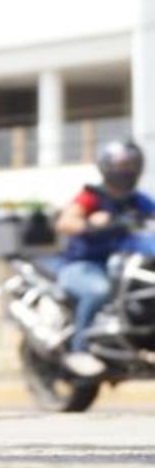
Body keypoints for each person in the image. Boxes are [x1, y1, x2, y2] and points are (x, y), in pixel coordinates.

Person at [54, 138, 155, 377]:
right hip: (83, 266)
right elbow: (64, 222)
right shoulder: (91, 197)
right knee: (98, 291)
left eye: (131, 165)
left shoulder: (138, 200)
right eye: (121, 165)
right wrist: (89, 223)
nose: (126, 170)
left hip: (121, 265)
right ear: (107, 166)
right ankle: (79, 350)